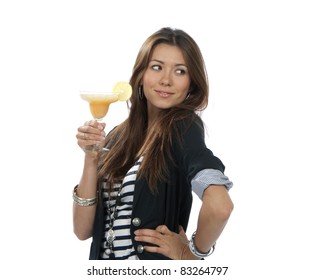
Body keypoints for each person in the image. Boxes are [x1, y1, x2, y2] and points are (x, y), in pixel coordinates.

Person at [73, 27, 234, 260]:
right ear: (141, 74)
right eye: (157, 67)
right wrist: (91, 158)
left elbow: (220, 206)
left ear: (192, 83)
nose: (166, 80)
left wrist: (191, 254)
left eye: (180, 71)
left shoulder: (183, 127)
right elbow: (82, 230)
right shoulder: (117, 136)